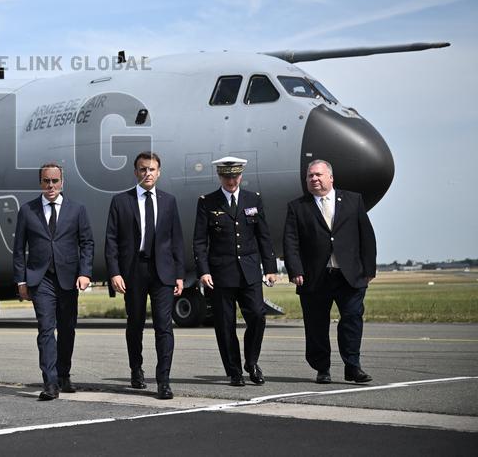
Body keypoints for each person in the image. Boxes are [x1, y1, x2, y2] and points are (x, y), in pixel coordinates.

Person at [284, 159, 377, 385]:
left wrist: (369, 268)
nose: (314, 179)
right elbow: (291, 242)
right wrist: (295, 270)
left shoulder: (353, 201)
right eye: (310, 176)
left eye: (318, 175)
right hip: (315, 276)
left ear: (331, 177)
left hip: (349, 276)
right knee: (316, 326)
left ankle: (353, 367)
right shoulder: (297, 207)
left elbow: (367, 236)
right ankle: (322, 368)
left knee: (352, 320)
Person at [104, 151, 184, 400]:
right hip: (133, 271)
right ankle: (136, 368)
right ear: (136, 172)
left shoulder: (169, 201)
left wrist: (179, 274)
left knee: (164, 327)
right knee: (135, 324)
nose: (147, 173)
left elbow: (177, 241)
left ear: (159, 172)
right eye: (142, 169)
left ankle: (164, 381)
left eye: (152, 169)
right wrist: (115, 272)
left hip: (163, 272)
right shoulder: (121, 201)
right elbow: (111, 241)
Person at [13, 163, 94, 400]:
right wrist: (21, 280)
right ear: (40, 182)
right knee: (46, 330)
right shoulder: (27, 211)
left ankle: (63, 374)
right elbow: (19, 249)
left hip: (69, 279)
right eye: (46, 181)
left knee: (67, 329)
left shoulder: (77, 210)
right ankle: (50, 383)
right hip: (41, 280)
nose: (51, 186)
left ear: (62, 182)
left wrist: (85, 272)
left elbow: (87, 242)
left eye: (55, 181)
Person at [193, 157, 277, 386]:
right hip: (221, 274)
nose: (231, 180)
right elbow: (200, 241)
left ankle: (251, 362)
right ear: (220, 176)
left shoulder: (253, 199)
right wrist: (203, 271)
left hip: (249, 271)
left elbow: (263, 236)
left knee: (258, 316)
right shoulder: (207, 202)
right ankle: (234, 371)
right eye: (227, 176)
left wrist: (270, 268)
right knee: (225, 324)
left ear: (241, 175)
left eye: (235, 176)